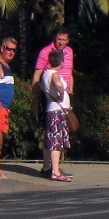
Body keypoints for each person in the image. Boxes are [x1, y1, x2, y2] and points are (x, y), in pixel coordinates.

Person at [32, 27, 74, 177]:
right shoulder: (46, 52)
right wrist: (36, 100)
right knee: (51, 132)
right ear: (54, 39)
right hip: (51, 97)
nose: (61, 42)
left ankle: (55, 166)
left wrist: (70, 91)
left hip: (64, 98)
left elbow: (69, 73)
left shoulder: (69, 53)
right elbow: (37, 76)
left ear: (68, 40)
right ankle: (48, 166)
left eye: (64, 40)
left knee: (61, 132)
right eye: (58, 39)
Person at [41, 49, 72, 181]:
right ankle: (56, 171)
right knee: (56, 141)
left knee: (50, 138)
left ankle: (47, 166)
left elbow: (43, 88)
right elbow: (58, 84)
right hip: (57, 110)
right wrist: (60, 94)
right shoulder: (54, 74)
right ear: (61, 61)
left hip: (51, 108)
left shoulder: (45, 73)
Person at [0, 37, 17, 179]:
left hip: (5, 109)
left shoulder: (6, 66)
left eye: (14, 50)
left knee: (1, 141)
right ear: (2, 48)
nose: (11, 52)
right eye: (8, 49)